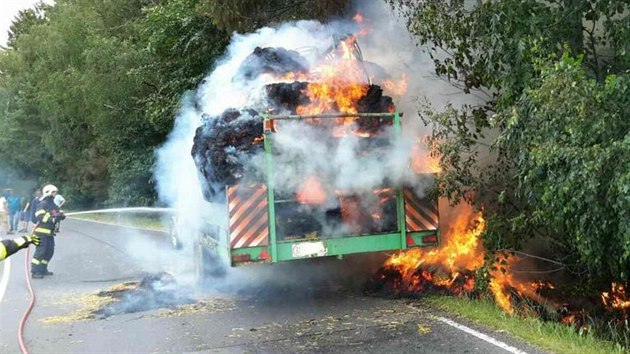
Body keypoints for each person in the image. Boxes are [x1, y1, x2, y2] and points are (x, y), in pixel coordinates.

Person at [31, 184, 65, 279]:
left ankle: (43, 269)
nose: (55, 194)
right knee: (41, 251)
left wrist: (61, 216)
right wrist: (52, 219)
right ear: (49, 192)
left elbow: (58, 213)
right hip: (40, 233)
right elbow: (39, 216)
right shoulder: (43, 204)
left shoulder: (53, 205)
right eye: (54, 192)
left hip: (49, 233)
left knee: (50, 251)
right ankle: (35, 271)